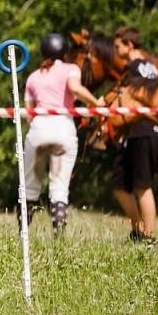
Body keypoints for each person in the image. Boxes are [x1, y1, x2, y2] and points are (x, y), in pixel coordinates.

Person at [22, 32, 100, 234]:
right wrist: (95, 103)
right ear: (65, 52)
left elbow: (29, 114)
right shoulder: (70, 69)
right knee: (59, 185)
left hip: (39, 129)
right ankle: (58, 231)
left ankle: (23, 231)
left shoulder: (33, 77)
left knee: (30, 185)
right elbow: (75, 88)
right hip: (63, 129)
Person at [106, 25, 158, 244]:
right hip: (144, 130)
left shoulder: (134, 68)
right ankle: (138, 230)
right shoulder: (150, 66)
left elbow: (126, 96)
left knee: (142, 186)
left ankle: (148, 236)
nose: (115, 51)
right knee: (121, 184)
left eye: (118, 46)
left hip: (141, 130)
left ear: (129, 45)